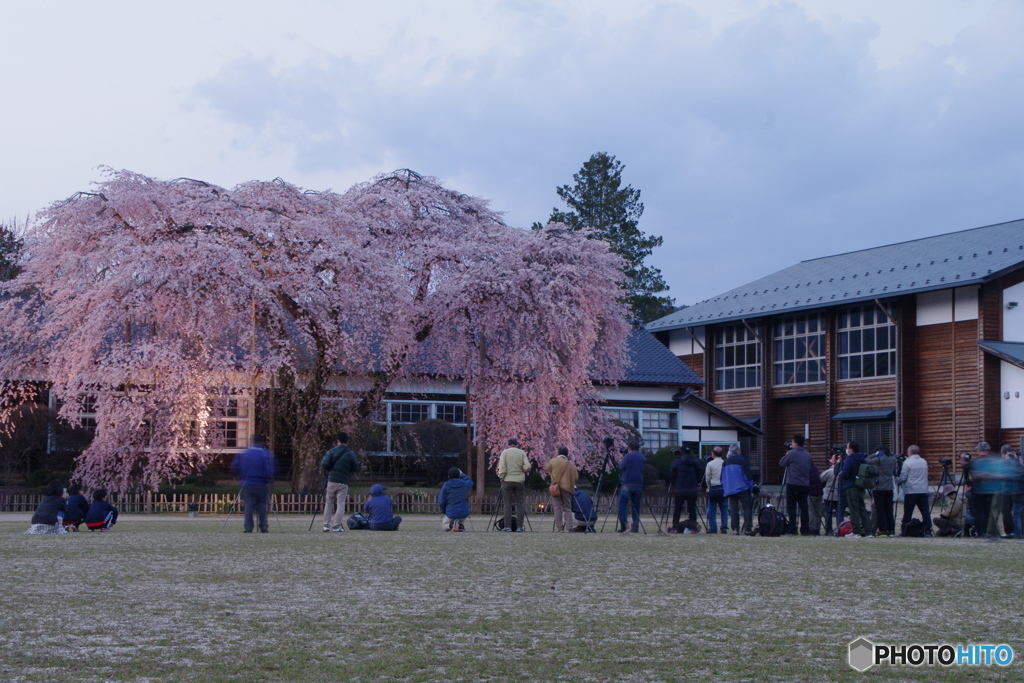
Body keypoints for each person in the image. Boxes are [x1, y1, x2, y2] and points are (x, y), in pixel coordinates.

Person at [230, 433, 276, 534]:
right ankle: (263, 527)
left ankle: (248, 528)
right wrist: (269, 479)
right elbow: (270, 469)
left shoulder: (244, 453)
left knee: (248, 505)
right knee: (262, 506)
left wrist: (237, 476)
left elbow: (235, 466)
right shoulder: (266, 454)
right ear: (262, 442)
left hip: (247, 482)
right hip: (261, 483)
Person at [321, 432, 359, 532]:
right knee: (341, 503)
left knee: (329, 502)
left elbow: (324, 464)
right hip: (343, 481)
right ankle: (337, 526)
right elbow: (355, 467)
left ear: (337, 441)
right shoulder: (350, 453)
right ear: (347, 441)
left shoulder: (331, 452)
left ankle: (325, 525)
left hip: (332, 480)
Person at [779, 434, 813, 535]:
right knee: (804, 507)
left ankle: (793, 529)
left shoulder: (791, 453)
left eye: (792, 442)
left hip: (792, 483)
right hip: (804, 484)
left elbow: (782, 463)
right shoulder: (807, 454)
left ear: (795, 442)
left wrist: (787, 453)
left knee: (792, 507)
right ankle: (805, 529)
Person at [497, 438, 531, 532]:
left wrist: (501, 477)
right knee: (520, 504)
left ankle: (508, 526)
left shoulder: (505, 453)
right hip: (519, 481)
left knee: (507, 504)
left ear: (508, 444)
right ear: (517, 444)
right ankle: (519, 526)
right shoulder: (522, 453)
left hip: (507, 480)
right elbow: (527, 467)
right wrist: (523, 470)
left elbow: (502, 467)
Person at [898, 445, 931, 537]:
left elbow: (903, 477)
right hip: (923, 489)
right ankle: (927, 529)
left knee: (908, 512)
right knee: (925, 511)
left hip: (911, 490)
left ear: (910, 452)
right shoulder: (924, 461)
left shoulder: (907, 462)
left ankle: (905, 529)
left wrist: (898, 479)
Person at [840, 441, 871, 538]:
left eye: (848, 448)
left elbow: (845, 474)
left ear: (851, 450)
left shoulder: (850, 459)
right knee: (862, 509)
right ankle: (868, 531)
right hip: (861, 486)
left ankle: (856, 531)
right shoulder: (862, 458)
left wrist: (840, 474)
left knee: (854, 510)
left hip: (851, 486)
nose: (847, 450)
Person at [545, 446, 579, 533]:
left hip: (555, 487)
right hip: (567, 487)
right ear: (567, 454)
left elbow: (547, 468)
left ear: (558, 453)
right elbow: (576, 476)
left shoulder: (554, 461)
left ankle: (559, 528)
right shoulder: (570, 464)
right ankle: (569, 527)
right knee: (567, 507)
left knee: (557, 507)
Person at [722, 443, 754, 535]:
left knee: (734, 509)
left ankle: (735, 528)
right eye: (739, 450)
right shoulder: (741, 460)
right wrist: (750, 485)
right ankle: (747, 528)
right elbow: (747, 474)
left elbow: (723, 477)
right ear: (737, 451)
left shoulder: (725, 462)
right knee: (746, 508)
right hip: (742, 487)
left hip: (731, 489)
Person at [668, 447, 701, 533]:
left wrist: (673, 484)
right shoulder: (695, 462)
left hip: (679, 489)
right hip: (692, 489)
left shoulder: (677, 462)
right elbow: (699, 474)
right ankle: (693, 527)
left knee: (677, 508)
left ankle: (675, 527)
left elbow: (672, 475)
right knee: (692, 509)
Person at [868, 447, 897, 537]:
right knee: (889, 509)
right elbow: (895, 457)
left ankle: (882, 530)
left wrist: (875, 454)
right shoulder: (892, 459)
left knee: (880, 510)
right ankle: (891, 530)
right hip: (889, 486)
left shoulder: (878, 459)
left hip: (879, 487)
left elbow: (867, 460)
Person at [617, 442, 645, 533]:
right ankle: (635, 527)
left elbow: (621, 467)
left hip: (627, 484)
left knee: (622, 504)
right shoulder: (642, 457)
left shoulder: (628, 456)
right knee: (636, 506)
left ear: (629, 448)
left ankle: (624, 525)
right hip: (638, 485)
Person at [438, 467, 474, 531]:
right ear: (459, 476)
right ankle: (460, 525)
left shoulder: (446, 485)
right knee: (461, 518)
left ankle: (452, 525)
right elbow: (470, 481)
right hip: (464, 511)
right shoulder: (464, 484)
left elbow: (442, 501)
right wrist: (462, 473)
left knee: (444, 526)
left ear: (448, 476)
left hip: (451, 512)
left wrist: (444, 510)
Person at [704, 446, 728, 534]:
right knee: (724, 509)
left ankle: (713, 527)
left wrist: (708, 487)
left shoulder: (710, 464)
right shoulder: (725, 463)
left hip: (714, 487)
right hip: (723, 488)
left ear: (713, 454)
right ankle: (724, 527)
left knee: (712, 509)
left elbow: (707, 477)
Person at [819, 452, 843, 535]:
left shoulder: (830, 471)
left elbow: (821, 478)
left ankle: (828, 529)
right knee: (838, 512)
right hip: (839, 494)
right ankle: (840, 528)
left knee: (828, 512)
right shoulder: (843, 470)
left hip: (829, 494)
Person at [807, 459, 823, 536]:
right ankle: (817, 528)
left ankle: (811, 528)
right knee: (818, 511)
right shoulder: (815, 468)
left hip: (811, 492)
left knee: (811, 511)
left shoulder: (806, 469)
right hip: (819, 492)